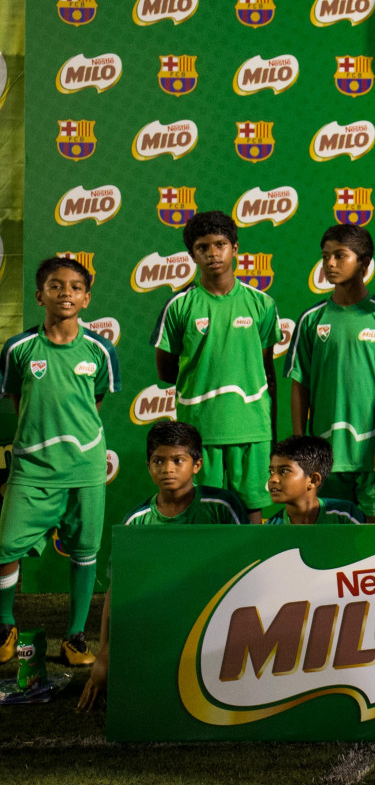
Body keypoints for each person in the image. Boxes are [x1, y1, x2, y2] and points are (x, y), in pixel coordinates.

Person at [0, 257, 120, 667]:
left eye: (74, 287)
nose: (65, 292)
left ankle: (74, 636)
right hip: (31, 469)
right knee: (4, 547)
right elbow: (19, 399)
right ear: (40, 296)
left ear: (86, 298)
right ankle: (4, 625)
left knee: (85, 551)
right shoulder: (18, 349)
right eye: (55, 286)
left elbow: (96, 401)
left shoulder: (100, 349)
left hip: (84, 469)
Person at [76, 422, 243, 712]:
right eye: (159, 461)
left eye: (178, 460)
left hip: (219, 616)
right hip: (161, 622)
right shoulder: (137, 521)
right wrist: (105, 650)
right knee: (102, 673)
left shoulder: (222, 506)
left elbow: (249, 565)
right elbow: (116, 595)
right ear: (148, 466)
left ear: (197, 465)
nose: (168, 469)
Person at [152, 211, 278, 521]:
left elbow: (267, 370)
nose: (213, 254)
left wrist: (271, 428)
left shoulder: (262, 303)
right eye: (203, 247)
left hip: (251, 427)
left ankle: (255, 570)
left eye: (220, 244)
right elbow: (166, 372)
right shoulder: (180, 305)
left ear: (235, 248)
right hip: (201, 429)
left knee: (251, 511)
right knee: (205, 513)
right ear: (192, 254)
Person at [287, 224, 375, 523]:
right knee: (330, 539)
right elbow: (299, 383)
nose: (329, 263)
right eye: (326, 256)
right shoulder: (311, 319)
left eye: (340, 256)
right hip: (324, 456)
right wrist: (302, 444)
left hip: (373, 453)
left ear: (364, 264)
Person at [265, 435, 362, 525]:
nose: (273, 479)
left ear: (313, 480)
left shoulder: (345, 515)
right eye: (271, 472)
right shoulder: (270, 528)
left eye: (285, 471)